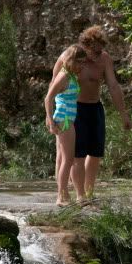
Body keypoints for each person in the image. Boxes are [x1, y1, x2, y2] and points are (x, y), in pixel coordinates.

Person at [51, 26, 132, 199]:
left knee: (95, 154)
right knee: (75, 156)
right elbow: (54, 85)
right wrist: (51, 116)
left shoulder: (104, 59)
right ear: (85, 46)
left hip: (95, 108)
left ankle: (88, 193)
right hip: (73, 109)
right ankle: (76, 195)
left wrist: (123, 114)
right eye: (94, 51)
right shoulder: (69, 57)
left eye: (100, 50)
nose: (98, 54)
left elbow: (113, 86)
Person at [44, 45, 88, 206]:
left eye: (84, 62)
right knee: (68, 159)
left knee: (63, 158)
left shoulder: (71, 75)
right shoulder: (63, 75)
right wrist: (50, 120)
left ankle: (64, 195)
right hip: (64, 119)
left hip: (68, 118)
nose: (82, 65)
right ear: (71, 60)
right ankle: (62, 197)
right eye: (80, 62)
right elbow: (48, 98)